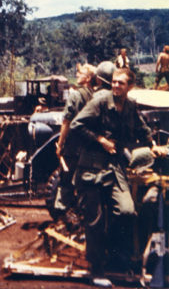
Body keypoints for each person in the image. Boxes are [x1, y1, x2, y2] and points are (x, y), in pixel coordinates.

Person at [70, 67, 154, 286]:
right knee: (95, 220)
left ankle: (113, 252)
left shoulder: (130, 106)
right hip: (91, 169)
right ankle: (96, 269)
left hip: (114, 170)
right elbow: (76, 124)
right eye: (114, 82)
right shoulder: (100, 102)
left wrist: (153, 144)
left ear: (130, 86)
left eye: (121, 83)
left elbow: (141, 128)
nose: (116, 86)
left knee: (127, 211)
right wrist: (99, 139)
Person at [53, 63, 96, 215]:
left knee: (66, 180)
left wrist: (60, 144)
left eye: (80, 73)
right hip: (90, 145)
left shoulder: (75, 95)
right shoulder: (96, 95)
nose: (77, 75)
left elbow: (66, 122)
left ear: (88, 78)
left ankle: (61, 212)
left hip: (73, 145)